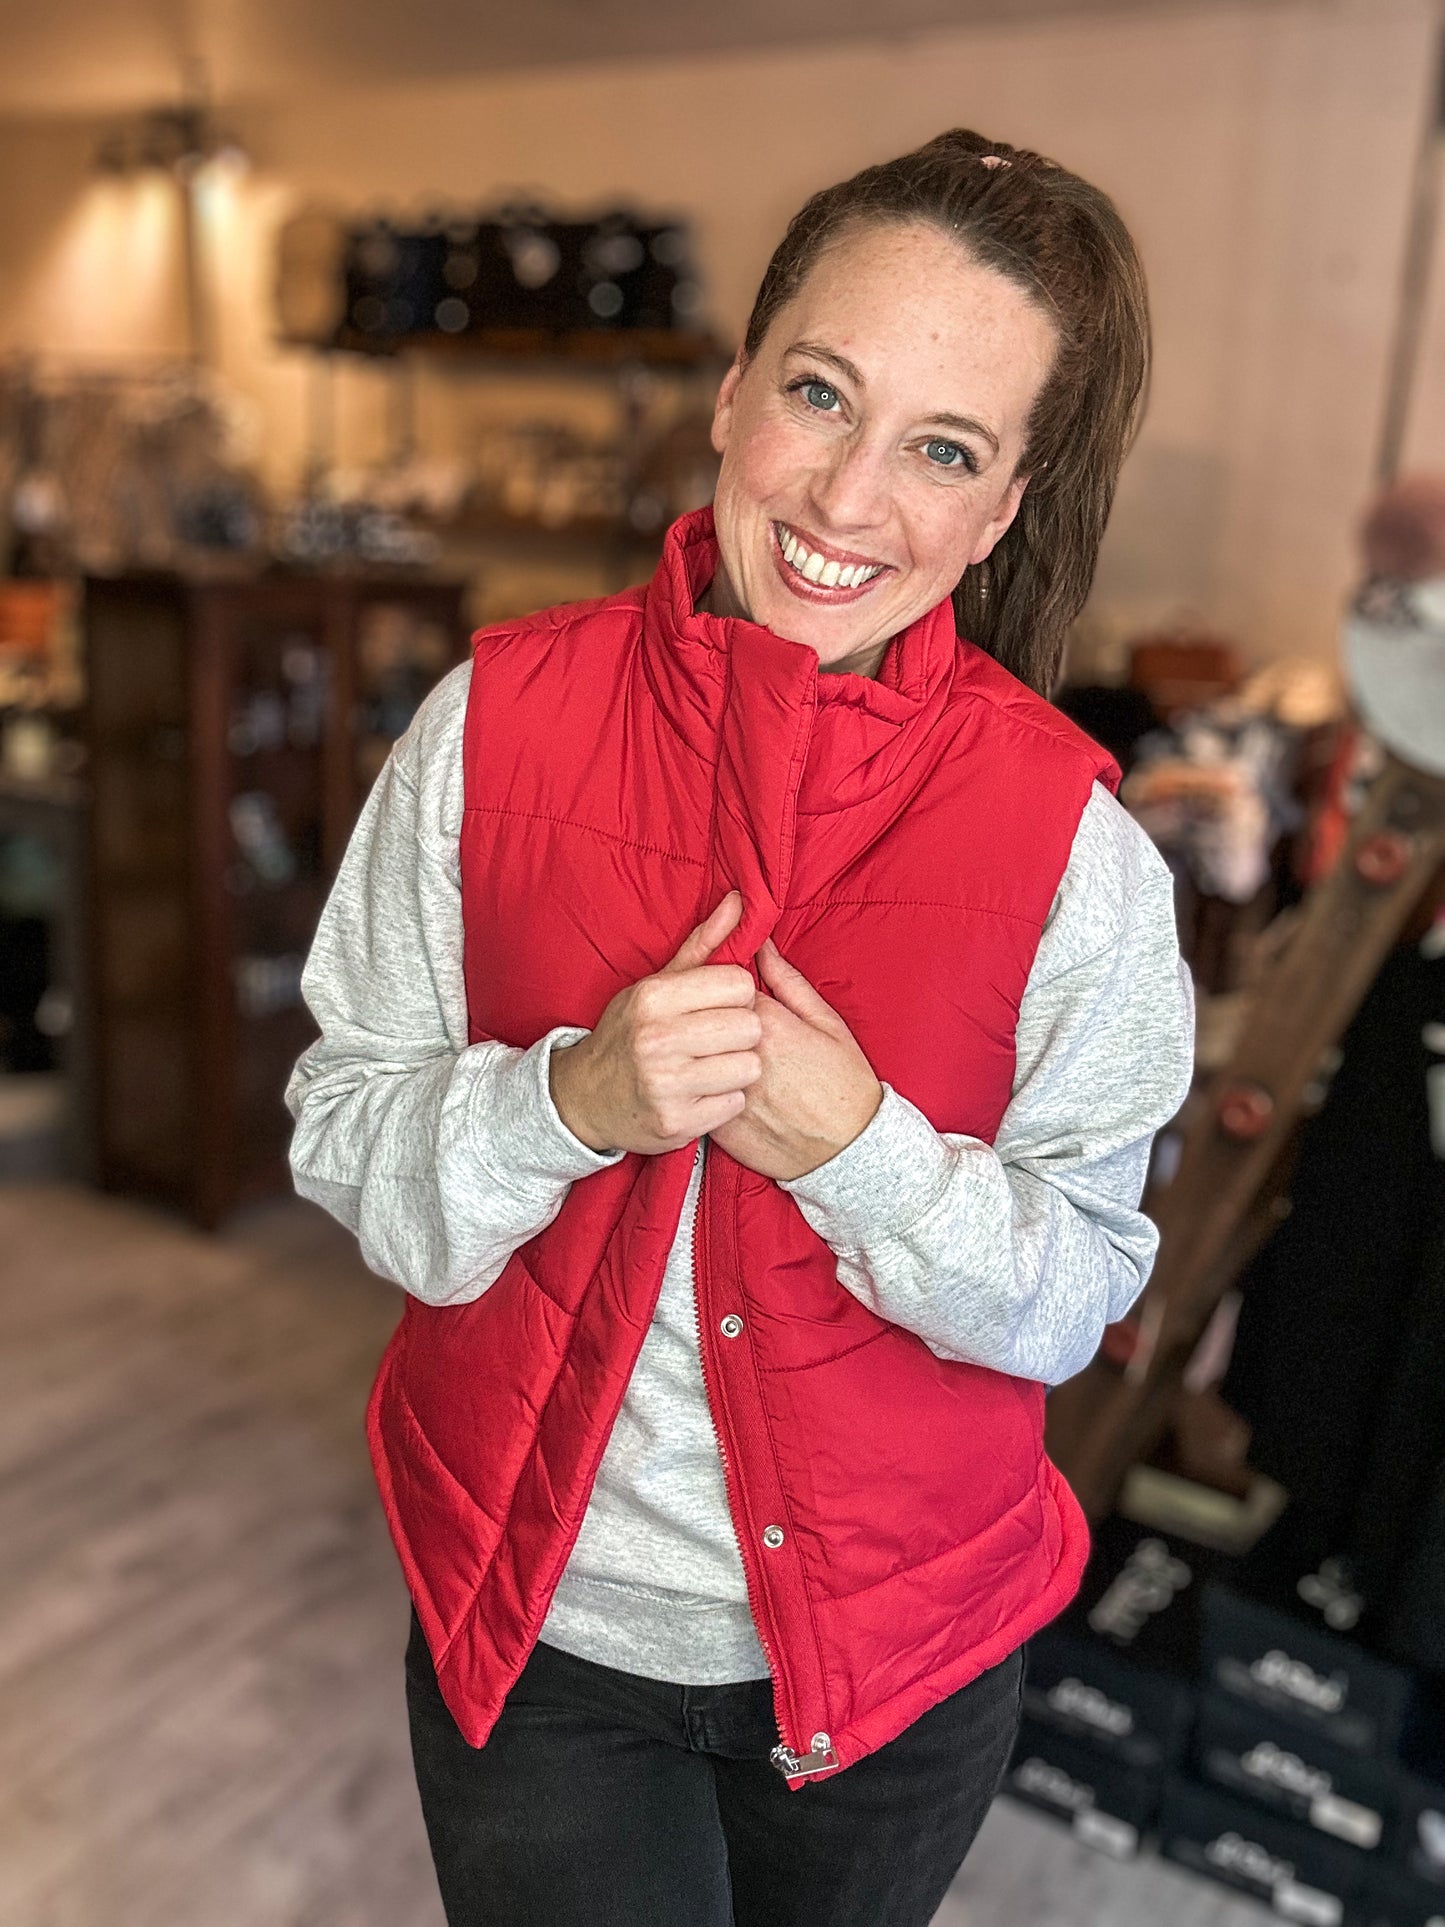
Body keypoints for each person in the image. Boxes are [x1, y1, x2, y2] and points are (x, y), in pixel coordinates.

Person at [286, 127, 1195, 1927]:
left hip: (897, 1668)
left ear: (1001, 506)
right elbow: (343, 1134)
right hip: (543, 1643)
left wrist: (863, 1156)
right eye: (819, 395)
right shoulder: (492, 726)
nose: (850, 500)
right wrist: (567, 1101)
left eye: (940, 449)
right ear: (728, 397)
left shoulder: (1074, 847)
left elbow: (1080, 1292)